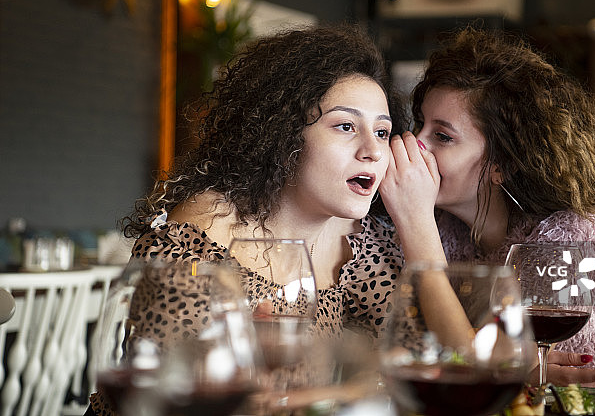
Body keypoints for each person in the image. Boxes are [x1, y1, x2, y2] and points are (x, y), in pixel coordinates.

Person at [86, 24, 406, 416]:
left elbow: (420, 361)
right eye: (345, 126)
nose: (374, 150)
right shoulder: (201, 232)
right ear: (283, 133)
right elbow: (165, 392)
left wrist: (418, 221)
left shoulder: (359, 241)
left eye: (382, 131)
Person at [379, 26, 595, 391]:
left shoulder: (574, 232)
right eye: (420, 125)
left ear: (502, 164)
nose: (415, 145)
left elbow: (475, 367)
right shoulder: (446, 225)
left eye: (442, 136)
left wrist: (416, 225)